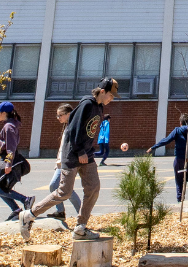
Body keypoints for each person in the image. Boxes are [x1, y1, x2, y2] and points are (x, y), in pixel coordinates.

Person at [20, 78, 118, 242]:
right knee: (64, 192)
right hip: (73, 154)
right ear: (102, 92)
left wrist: (86, 150)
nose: (112, 99)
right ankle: (29, 214)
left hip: (87, 154)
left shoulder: (99, 107)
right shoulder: (86, 104)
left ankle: (80, 227)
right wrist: (79, 150)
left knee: (93, 188)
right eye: (111, 95)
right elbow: (72, 129)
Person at [147, 113, 188, 203]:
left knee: (179, 180)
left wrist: (153, 147)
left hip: (180, 159)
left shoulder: (177, 130)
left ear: (180, 122)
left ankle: (180, 199)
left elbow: (166, 140)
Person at [0, 102, 33, 221]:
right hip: (3, 159)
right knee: (0, 187)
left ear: (4, 113)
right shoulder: (8, 125)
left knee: (0, 188)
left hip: (6, 159)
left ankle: (25, 200)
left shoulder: (9, 127)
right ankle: (16, 210)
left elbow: (11, 147)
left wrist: (8, 163)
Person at [44, 103, 82, 220]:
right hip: (62, 162)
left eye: (60, 115)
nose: (58, 118)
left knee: (56, 187)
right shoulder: (67, 126)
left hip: (67, 162)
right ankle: (69, 212)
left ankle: (80, 213)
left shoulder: (72, 126)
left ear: (69, 114)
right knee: (66, 190)